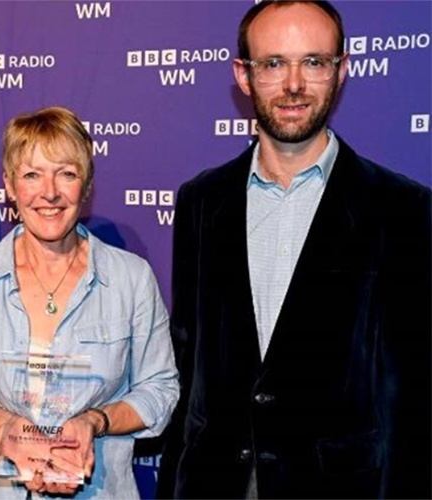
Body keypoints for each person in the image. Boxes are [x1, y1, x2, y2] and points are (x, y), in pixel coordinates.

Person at [156, 1, 431, 498]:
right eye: (274, 63)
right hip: (215, 483)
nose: (294, 84)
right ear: (244, 76)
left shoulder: (402, 208)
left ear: (341, 71)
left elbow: (409, 393)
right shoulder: (200, 201)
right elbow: (189, 362)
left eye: (314, 62)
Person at [0, 106, 179, 499]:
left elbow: (160, 390)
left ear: (86, 186)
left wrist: (93, 422)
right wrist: (3, 423)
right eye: (32, 174)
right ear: (9, 185)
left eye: (66, 173)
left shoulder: (130, 278)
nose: (49, 192)